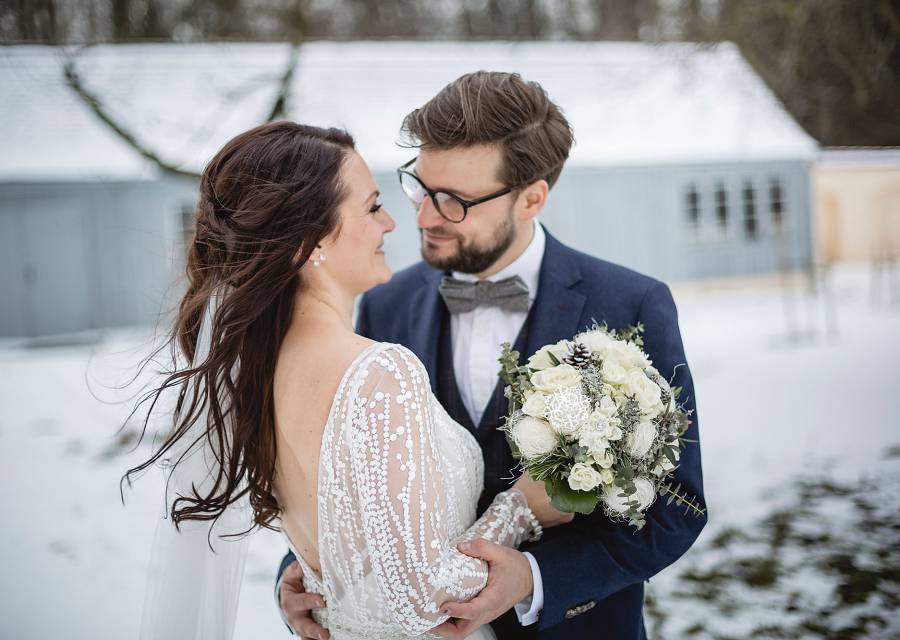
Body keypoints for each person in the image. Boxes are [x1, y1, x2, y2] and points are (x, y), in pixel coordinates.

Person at [277, 72, 707, 640]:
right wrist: (305, 571)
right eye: (420, 187)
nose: (424, 217)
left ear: (532, 197)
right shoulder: (385, 304)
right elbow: (350, 483)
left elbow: (678, 509)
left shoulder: (631, 304)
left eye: (453, 201)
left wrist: (534, 577)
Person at [128, 120, 572, 640]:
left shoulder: (261, 368)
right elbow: (423, 599)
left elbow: (347, 547)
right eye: (371, 206)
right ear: (309, 241)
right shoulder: (379, 372)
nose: (390, 223)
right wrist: (519, 510)